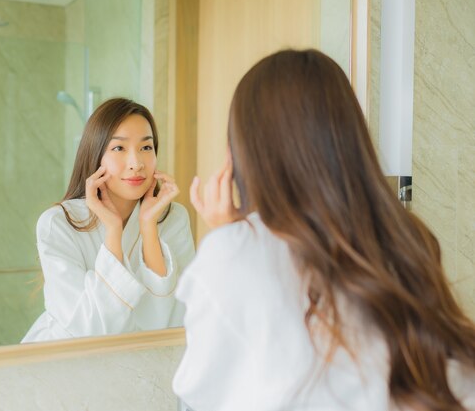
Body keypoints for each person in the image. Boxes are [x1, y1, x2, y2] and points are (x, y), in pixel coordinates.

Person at [173, 49, 475, 411]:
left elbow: (199, 398)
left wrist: (231, 238)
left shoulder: (233, 255)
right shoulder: (404, 237)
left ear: (243, 154)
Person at [22, 98, 194, 342]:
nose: (136, 164)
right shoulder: (59, 223)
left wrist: (148, 228)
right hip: (61, 364)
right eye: (119, 148)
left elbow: (172, 320)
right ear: (96, 155)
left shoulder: (173, 218)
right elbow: (88, 332)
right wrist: (113, 230)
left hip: (141, 365)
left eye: (146, 147)